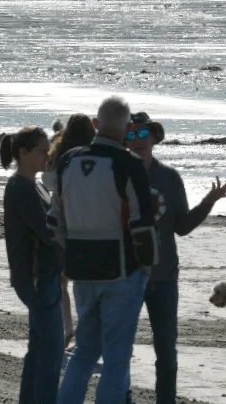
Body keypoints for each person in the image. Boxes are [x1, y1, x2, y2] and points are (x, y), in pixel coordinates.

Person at [49, 96, 158, 404]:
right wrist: (147, 268)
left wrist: (69, 252)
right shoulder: (129, 164)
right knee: (116, 355)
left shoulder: (68, 161)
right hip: (121, 270)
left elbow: (55, 219)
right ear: (126, 129)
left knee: (85, 349)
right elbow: (143, 225)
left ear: (97, 124)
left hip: (81, 268)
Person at [125, 114, 226, 404]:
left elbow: (182, 227)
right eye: (131, 136)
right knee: (119, 348)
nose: (137, 142)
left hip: (163, 276)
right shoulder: (117, 173)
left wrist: (208, 202)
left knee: (166, 351)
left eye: (142, 135)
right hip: (127, 275)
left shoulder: (169, 178)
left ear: (154, 137)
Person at [1, 125, 65, 404]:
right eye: (42, 151)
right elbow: (46, 230)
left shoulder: (34, 185)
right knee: (51, 350)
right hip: (36, 278)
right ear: (24, 153)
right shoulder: (20, 187)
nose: (47, 155)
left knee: (40, 348)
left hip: (41, 277)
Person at [43, 114, 96, 346]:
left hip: (61, 218)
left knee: (63, 281)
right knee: (86, 281)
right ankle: (85, 328)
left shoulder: (59, 154)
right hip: (89, 217)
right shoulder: (94, 152)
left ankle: (67, 327)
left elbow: (47, 181)